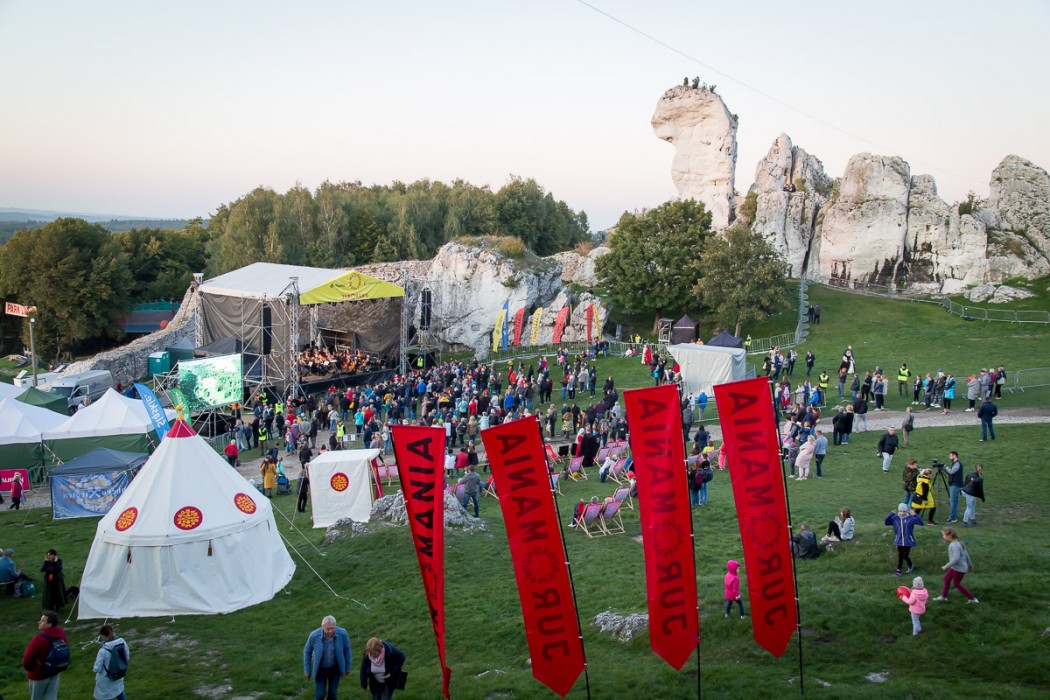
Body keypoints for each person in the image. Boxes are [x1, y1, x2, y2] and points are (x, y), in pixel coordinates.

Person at [304, 615, 353, 700]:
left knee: (333, 694)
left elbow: (347, 649)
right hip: (320, 668)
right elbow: (307, 651)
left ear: (335, 626)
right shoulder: (314, 636)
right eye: (327, 629)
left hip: (335, 668)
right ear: (322, 627)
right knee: (320, 694)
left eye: (332, 628)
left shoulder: (342, 633)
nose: (330, 631)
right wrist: (307, 670)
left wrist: (348, 666)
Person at [22, 610, 68, 699]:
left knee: (36, 698)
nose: (39, 622)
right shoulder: (61, 634)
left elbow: (27, 659)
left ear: (49, 624)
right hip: (55, 670)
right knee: (52, 697)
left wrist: (29, 669)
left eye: (42, 621)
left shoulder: (39, 639)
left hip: (38, 675)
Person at [933, 528, 978, 603]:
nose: (943, 536)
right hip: (955, 567)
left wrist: (946, 566)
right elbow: (966, 555)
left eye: (944, 535)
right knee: (947, 579)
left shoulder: (955, 545)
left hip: (959, 568)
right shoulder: (958, 542)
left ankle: (972, 599)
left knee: (956, 584)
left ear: (949, 536)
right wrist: (970, 564)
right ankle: (943, 597)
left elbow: (956, 559)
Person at [885, 503, 925, 576]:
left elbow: (921, 523)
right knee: (900, 556)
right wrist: (891, 514)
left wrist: (914, 514)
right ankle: (898, 570)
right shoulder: (895, 518)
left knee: (905, 555)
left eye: (904, 511)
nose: (902, 513)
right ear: (898, 511)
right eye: (900, 511)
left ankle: (910, 565)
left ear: (907, 511)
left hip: (908, 541)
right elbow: (886, 522)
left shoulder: (911, 518)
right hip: (899, 541)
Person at [94, 623, 130, 700]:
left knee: (105, 696)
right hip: (119, 674)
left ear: (103, 636)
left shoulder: (103, 651)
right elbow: (126, 657)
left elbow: (97, 668)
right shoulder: (122, 643)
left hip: (106, 678)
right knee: (119, 692)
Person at [945, 451, 964, 523]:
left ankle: (953, 517)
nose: (949, 457)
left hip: (956, 485)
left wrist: (945, 467)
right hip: (955, 484)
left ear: (954, 456)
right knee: (953, 501)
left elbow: (951, 472)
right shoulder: (955, 464)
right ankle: (953, 516)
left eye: (950, 456)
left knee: (953, 501)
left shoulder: (957, 464)